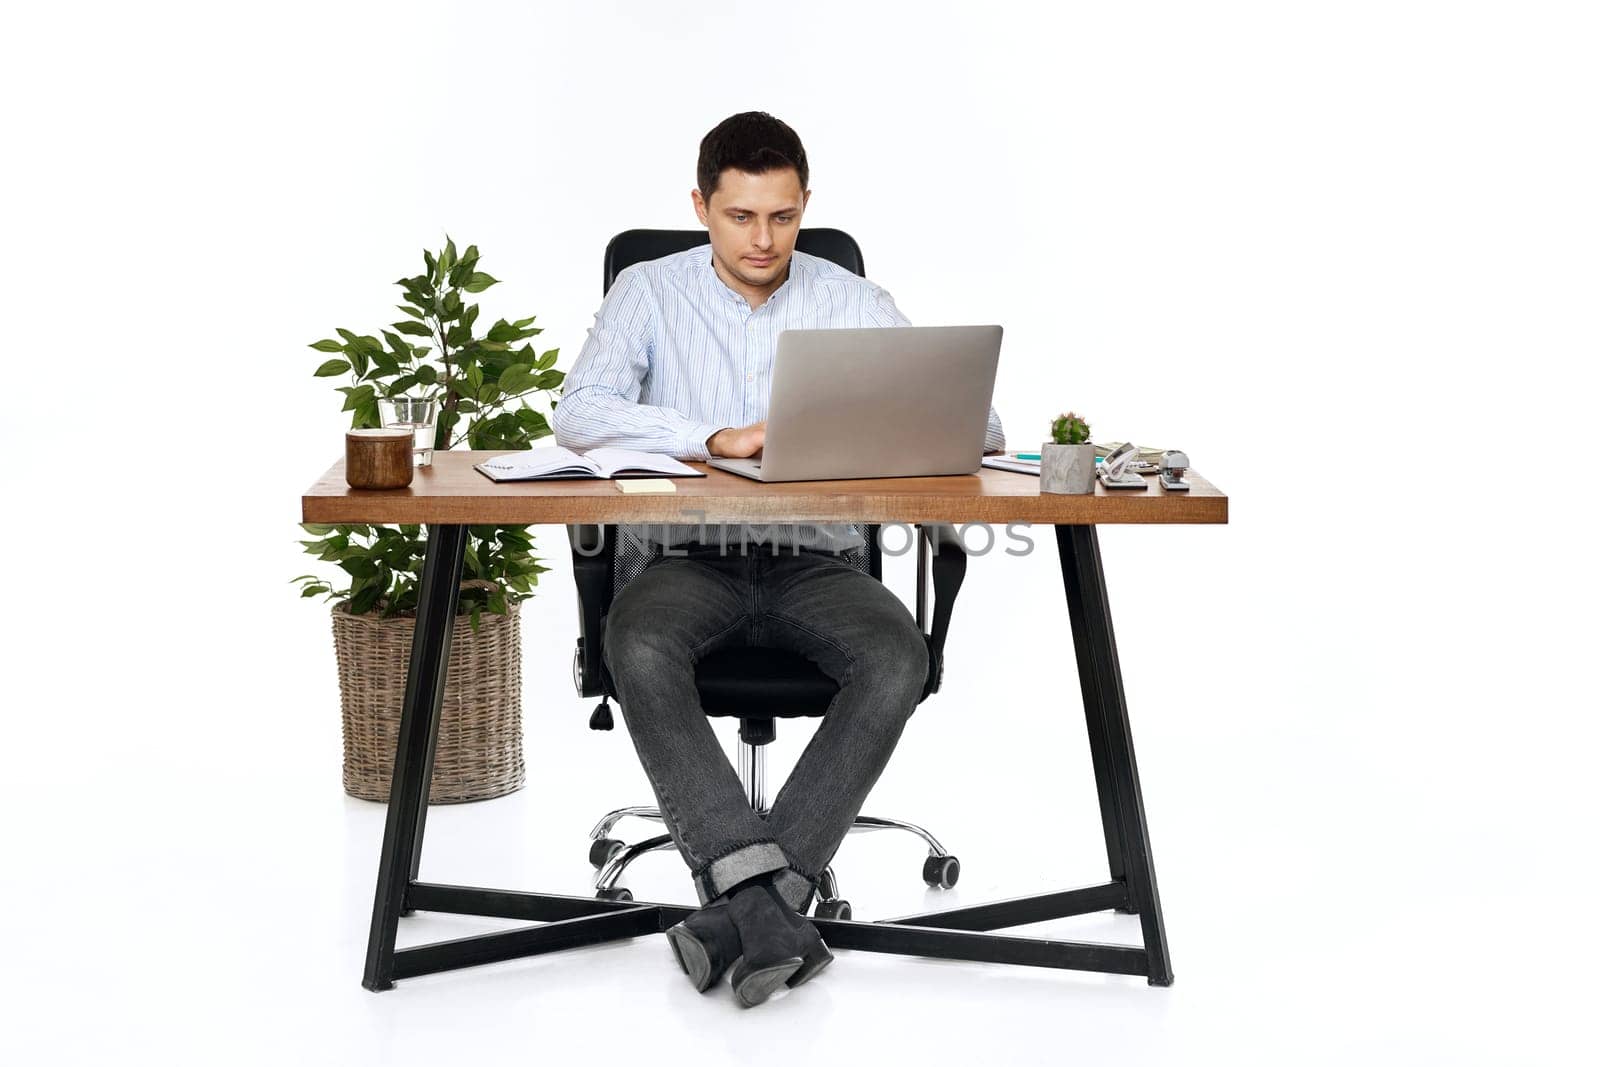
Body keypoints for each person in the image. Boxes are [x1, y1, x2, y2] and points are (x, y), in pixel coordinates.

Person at [551, 111, 1005, 1008]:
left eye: (783, 217)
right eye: (740, 217)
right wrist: (712, 436)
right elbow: (579, 410)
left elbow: (977, 425)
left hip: (817, 564)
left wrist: (906, 420)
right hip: (683, 562)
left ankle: (744, 908)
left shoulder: (851, 299)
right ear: (701, 206)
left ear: (805, 206)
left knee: (896, 655)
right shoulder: (647, 290)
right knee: (635, 642)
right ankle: (773, 907)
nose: (764, 240)